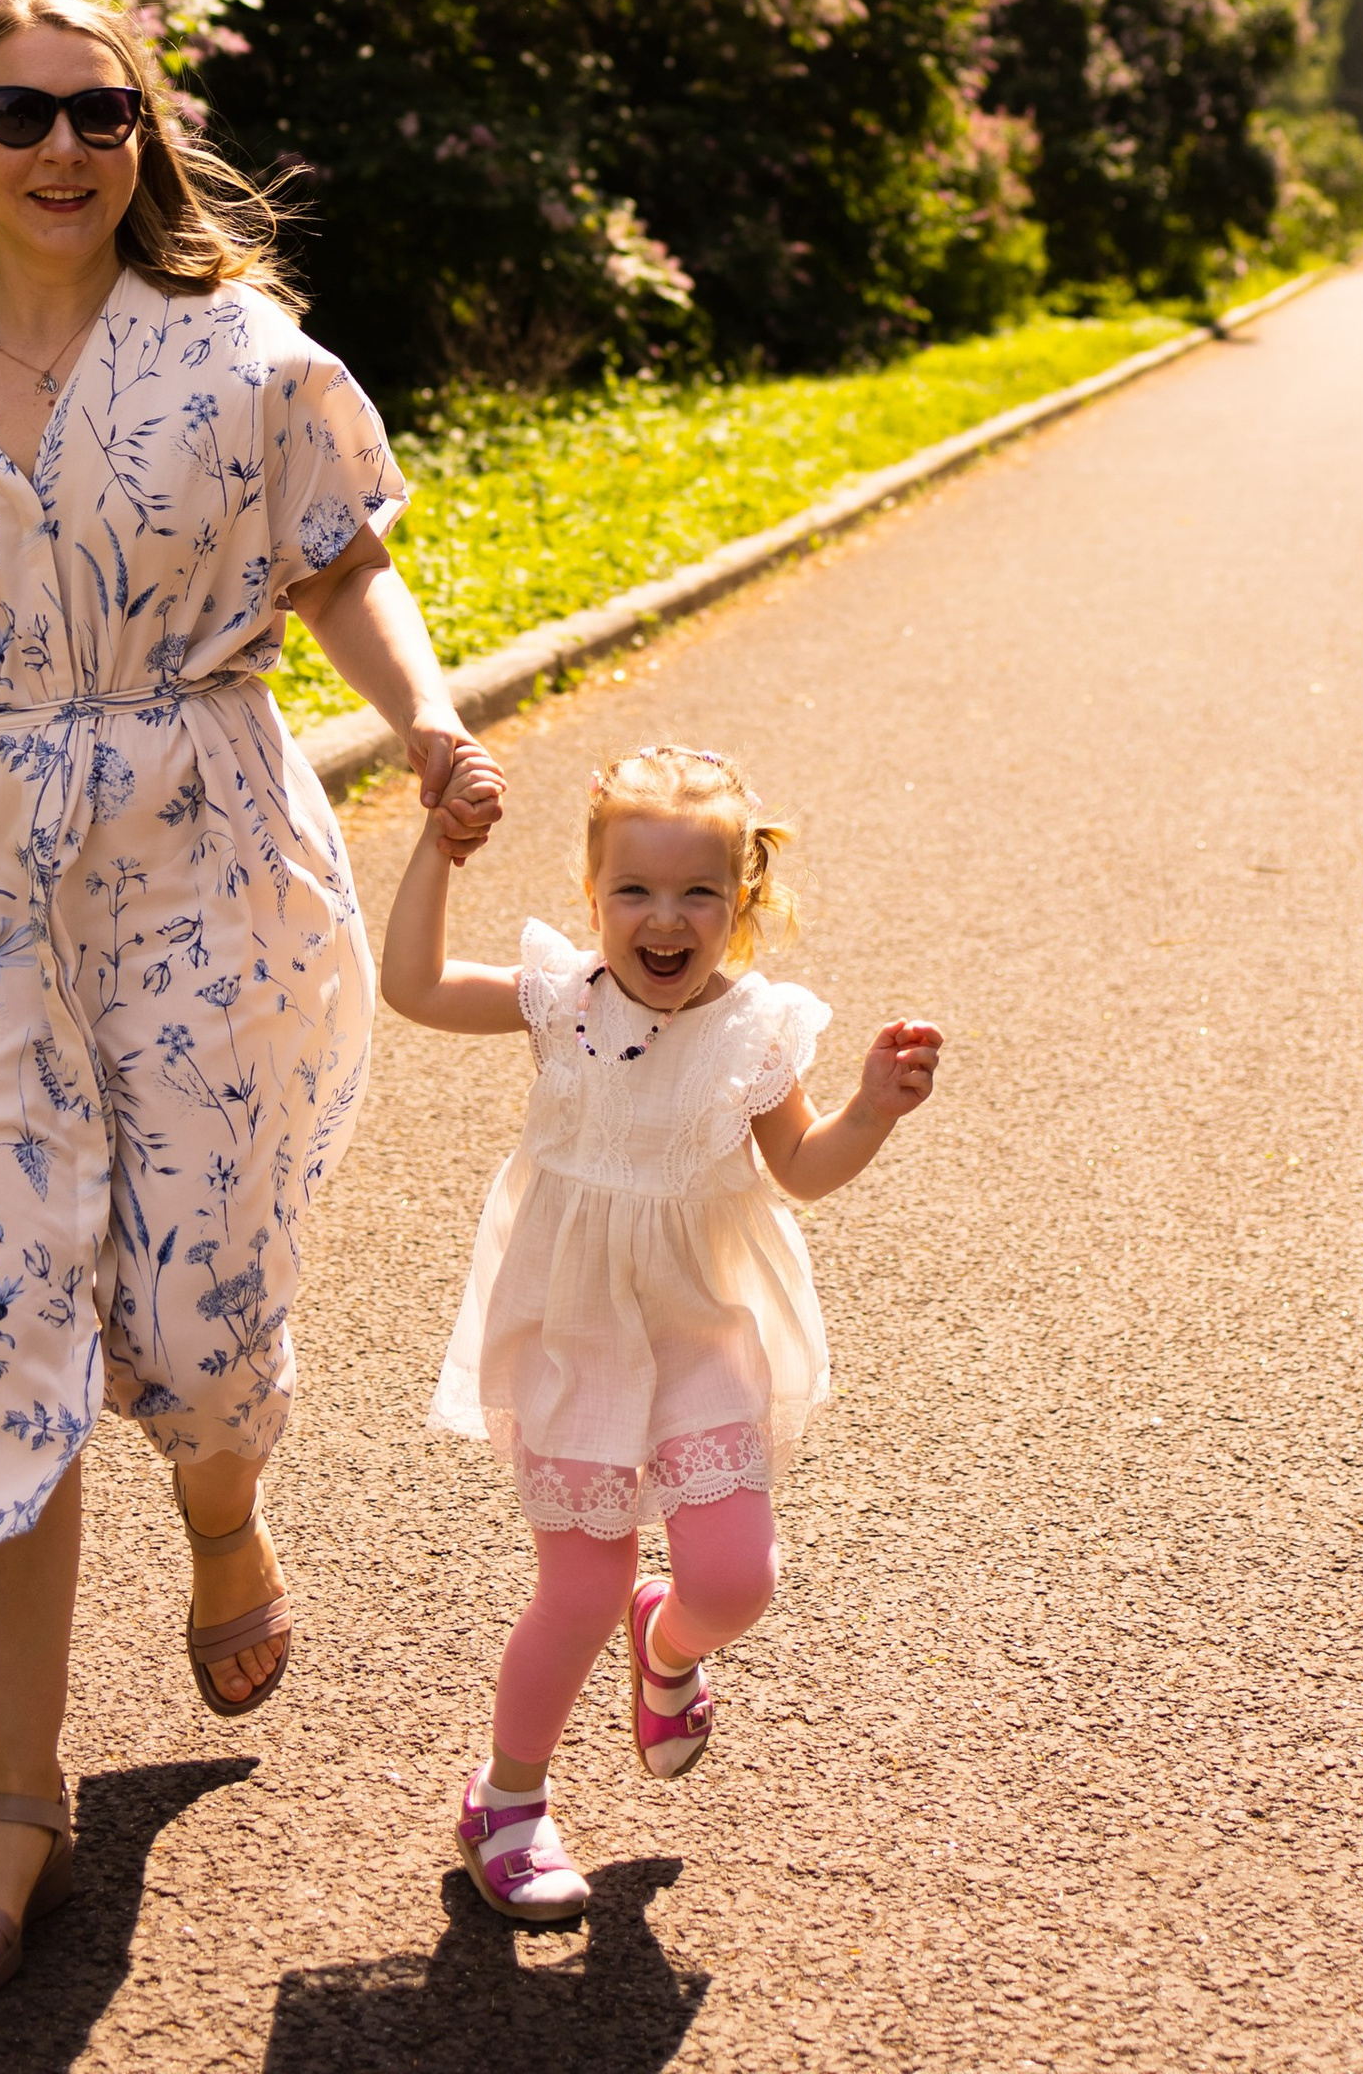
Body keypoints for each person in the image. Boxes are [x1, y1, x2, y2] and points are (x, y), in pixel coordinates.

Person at [0, 0, 502, 2008]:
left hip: (197, 854)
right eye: (19, 112)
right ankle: (17, 1792)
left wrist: (423, 720)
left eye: (99, 110)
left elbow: (340, 560)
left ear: (140, 138)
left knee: (194, 1320)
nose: (62, 143)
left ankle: (224, 1510)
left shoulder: (238, 357)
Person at [380, 740, 942, 1923]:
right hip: (575, 1333)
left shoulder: (754, 1035)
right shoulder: (559, 1002)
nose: (664, 918)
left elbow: (803, 1169)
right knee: (578, 1588)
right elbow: (415, 988)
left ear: (741, 908)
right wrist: (436, 849)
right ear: (594, 901)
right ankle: (509, 1799)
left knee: (735, 1584)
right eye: (633, 890)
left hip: (697, 1328)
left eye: (697, 893)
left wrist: (870, 1111)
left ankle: (671, 1644)